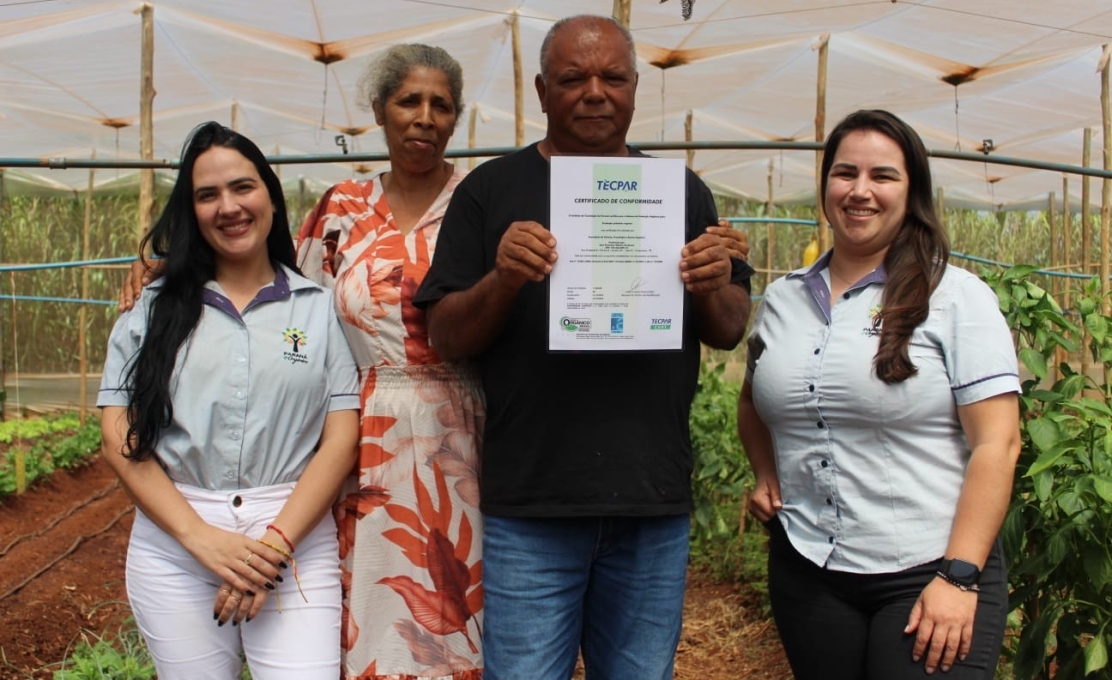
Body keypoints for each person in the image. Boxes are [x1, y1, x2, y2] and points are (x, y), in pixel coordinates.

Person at [413, 14, 754, 680]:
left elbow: (730, 326)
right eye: (573, 78)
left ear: (634, 89)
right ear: (542, 92)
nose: (594, 92)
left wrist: (709, 286)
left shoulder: (679, 193)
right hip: (533, 504)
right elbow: (446, 335)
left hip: (649, 502)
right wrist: (504, 278)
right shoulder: (489, 192)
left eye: (612, 77)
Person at [736, 109, 1021, 679]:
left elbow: (999, 443)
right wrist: (767, 473)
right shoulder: (784, 299)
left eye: (882, 176)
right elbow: (753, 399)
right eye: (845, 173)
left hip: (929, 572)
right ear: (825, 186)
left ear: (911, 190)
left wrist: (959, 576)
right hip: (811, 569)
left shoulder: (956, 297)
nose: (860, 191)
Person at [98, 121, 361, 680]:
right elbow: (119, 438)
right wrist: (201, 540)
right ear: (190, 211)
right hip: (176, 541)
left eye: (242, 187)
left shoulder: (318, 307)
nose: (229, 206)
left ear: (269, 193)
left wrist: (271, 550)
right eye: (207, 194)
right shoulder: (151, 308)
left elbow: (340, 440)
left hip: (291, 540)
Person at [293, 44, 487, 679]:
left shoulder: (480, 201)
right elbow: (297, 322)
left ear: (455, 120)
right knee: (374, 600)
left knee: (462, 600)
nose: (425, 117)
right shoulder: (340, 208)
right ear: (379, 110)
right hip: (363, 428)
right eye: (409, 101)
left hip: (467, 432)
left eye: (441, 105)